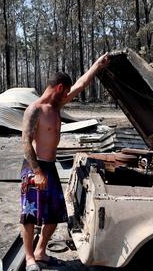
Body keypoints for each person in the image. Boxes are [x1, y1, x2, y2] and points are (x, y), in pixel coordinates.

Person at [20, 53, 109, 271]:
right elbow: (25, 142)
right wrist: (37, 172)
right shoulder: (35, 110)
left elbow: (80, 84)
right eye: (66, 90)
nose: (69, 94)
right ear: (60, 87)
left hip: (50, 166)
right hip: (34, 167)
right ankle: (30, 257)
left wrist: (97, 65)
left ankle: (41, 251)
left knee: (54, 213)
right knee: (29, 215)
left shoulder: (57, 106)